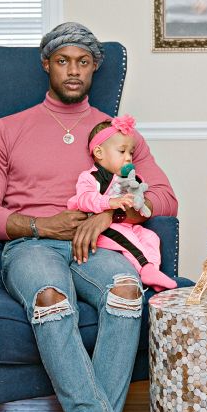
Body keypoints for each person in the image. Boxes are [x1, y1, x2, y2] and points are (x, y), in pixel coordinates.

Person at [0, 21, 178, 412]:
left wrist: (111, 214)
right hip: (30, 245)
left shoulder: (116, 135)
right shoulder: (7, 129)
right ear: (47, 64)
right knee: (51, 300)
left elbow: (165, 197)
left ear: (95, 68)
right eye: (64, 60)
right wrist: (42, 223)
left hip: (96, 244)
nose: (74, 70)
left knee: (128, 292)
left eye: (83, 61)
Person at [67, 114, 177, 291]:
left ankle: (152, 272)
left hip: (125, 224)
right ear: (99, 153)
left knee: (151, 237)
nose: (128, 158)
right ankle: (145, 267)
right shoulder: (90, 177)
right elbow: (84, 199)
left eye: (131, 153)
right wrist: (109, 202)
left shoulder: (125, 179)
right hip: (101, 229)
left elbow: (136, 203)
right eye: (122, 151)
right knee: (127, 239)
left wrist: (137, 192)